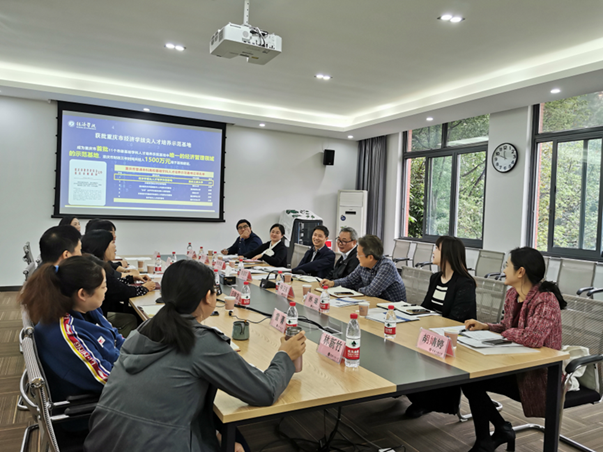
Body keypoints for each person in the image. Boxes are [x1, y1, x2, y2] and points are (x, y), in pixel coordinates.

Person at [84, 260, 306, 452]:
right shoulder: (201, 341)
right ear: (208, 297)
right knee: (239, 442)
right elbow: (264, 391)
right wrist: (285, 355)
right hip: (156, 444)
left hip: (103, 441)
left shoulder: (144, 329)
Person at [461, 247, 565, 452]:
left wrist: (506, 332)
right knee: (470, 381)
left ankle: (499, 432)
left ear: (520, 272)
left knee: (474, 382)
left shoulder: (545, 299)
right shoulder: (512, 295)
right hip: (516, 368)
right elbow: (508, 327)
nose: (503, 270)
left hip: (540, 378)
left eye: (507, 265)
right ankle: (494, 433)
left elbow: (534, 338)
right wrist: (486, 326)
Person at [19, 257, 124, 401]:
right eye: (103, 286)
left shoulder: (88, 309)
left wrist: (139, 355)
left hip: (116, 372)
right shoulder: (68, 333)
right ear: (82, 294)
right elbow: (108, 379)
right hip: (95, 404)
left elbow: (114, 336)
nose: (106, 290)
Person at [404, 236, 477, 418]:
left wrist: (429, 324)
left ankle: (428, 401)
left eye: (437, 248)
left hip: (456, 339)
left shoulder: (465, 283)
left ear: (448, 254)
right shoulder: (436, 278)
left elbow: (455, 320)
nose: (433, 251)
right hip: (432, 332)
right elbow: (426, 307)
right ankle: (417, 396)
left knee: (420, 351)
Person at [82, 230, 151, 336]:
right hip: (100, 317)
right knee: (133, 317)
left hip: (101, 313)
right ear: (102, 246)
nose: (115, 247)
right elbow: (120, 290)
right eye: (112, 243)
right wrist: (144, 288)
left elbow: (113, 283)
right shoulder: (96, 269)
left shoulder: (97, 264)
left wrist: (131, 279)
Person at [321, 235, 406, 302]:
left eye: (359, 254)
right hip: (375, 304)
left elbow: (372, 291)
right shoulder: (364, 265)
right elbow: (350, 280)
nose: (357, 257)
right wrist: (332, 283)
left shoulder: (387, 266)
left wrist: (357, 290)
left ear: (370, 257)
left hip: (394, 309)